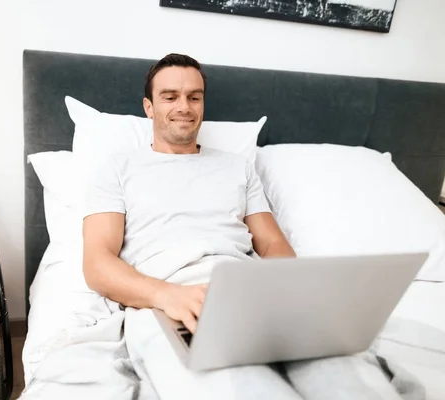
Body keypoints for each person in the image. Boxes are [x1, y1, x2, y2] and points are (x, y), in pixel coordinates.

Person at [81, 54, 421, 400]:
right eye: (170, 96)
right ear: (149, 107)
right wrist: (167, 296)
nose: (184, 106)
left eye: (194, 96)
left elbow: (273, 243)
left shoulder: (236, 167)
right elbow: (97, 263)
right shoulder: (118, 167)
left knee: (347, 381)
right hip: (168, 298)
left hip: (250, 292)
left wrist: (284, 294)